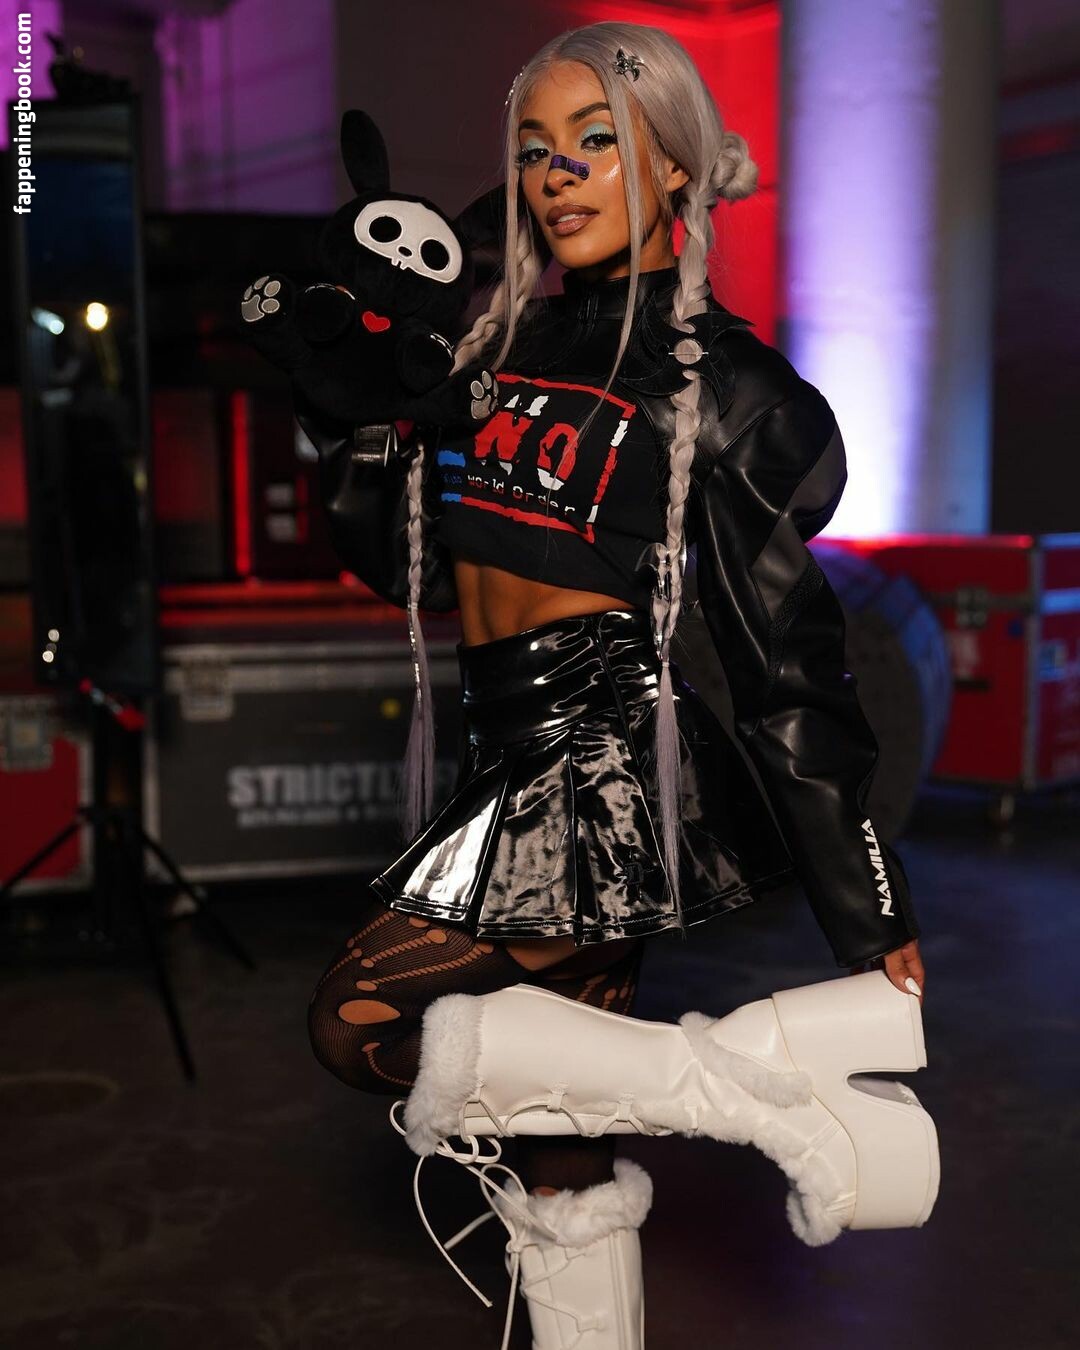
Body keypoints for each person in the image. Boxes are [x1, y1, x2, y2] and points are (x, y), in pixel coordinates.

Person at [303, 20, 929, 1347]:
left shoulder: (730, 388)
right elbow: (414, 569)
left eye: (597, 141)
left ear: (678, 165)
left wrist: (866, 909)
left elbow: (785, 662)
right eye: (536, 150)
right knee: (557, 1153)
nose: (559, 174)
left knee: (357, 1023)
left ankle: (770, 1101)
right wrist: (349, 413)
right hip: (499, 754)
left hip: (601, 773)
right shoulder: (495, 342)